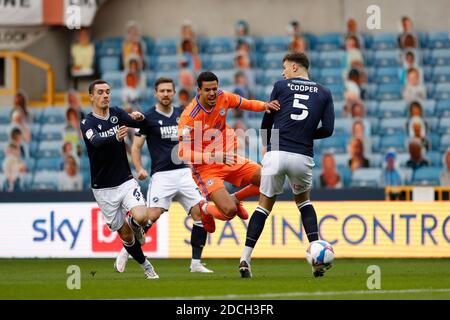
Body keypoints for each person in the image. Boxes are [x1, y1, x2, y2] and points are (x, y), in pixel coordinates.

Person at [239, 52, 335, 278]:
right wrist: (306, 135)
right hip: (301, 156)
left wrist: (266, 144)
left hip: (277, 152)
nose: (282, 72)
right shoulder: (324, 92)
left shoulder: (281, 86)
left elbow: (268, 117)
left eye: (284, 67)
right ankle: (316, 259)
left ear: (294, 68)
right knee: (304, 203)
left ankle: (245, 258)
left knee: (263, 206)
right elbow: (328, 129)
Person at [114, 77, 219, 273]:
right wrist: (139, 169)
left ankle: (196, 263)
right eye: (161, 91)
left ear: (173, 92)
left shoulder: (183, 113)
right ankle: (126, 250)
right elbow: (136, 147)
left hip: (185, 173)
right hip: (162, 175)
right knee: (150, 216)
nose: (165, 94)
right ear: (156, 93)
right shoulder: (147, 117)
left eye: (168, 91)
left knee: (200, 213)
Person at [80, 79, 158, 280]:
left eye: (107, 91)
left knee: (141, 217)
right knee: (126, 236)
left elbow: (139, 123)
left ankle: (134, 221)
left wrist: (140, 117)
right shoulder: (87, 122)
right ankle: (146, 266)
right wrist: (114, 137)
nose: (105, 95)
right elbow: (96, 142)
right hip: (102, 188)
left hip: (124, 180)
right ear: (91, 97)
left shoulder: (116, 113)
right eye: (100, 92)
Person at [177, 71, 279, 223]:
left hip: (227, 158)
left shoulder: (223, 97)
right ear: (198, 91)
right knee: (229, 211)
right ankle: (205, 209)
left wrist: (265, 105)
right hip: (205, 168)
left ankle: (235, 198)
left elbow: (247, 103)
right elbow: (182, 153)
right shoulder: (189, 116)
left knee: (270, 180)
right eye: (207, 90)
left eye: (214, 89)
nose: (212, 93)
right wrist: (213, 156)